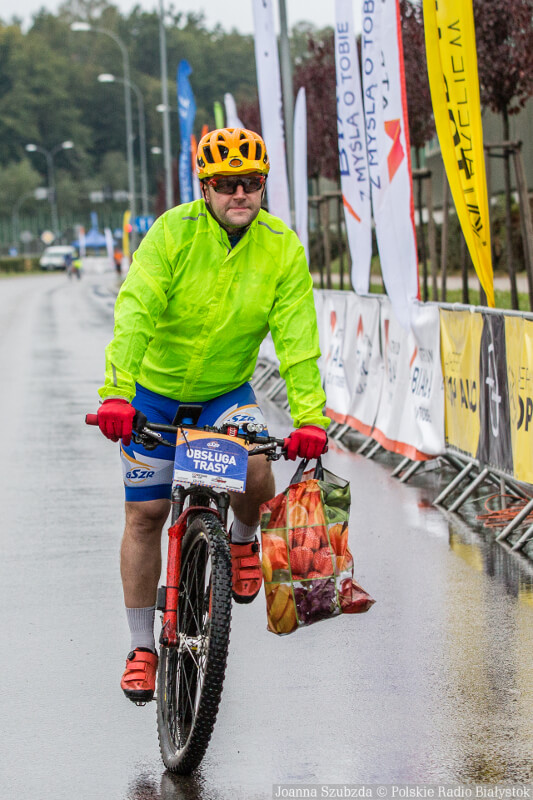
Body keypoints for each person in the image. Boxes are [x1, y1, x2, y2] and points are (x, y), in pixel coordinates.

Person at [94, 127, 329, 703]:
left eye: (251, 182)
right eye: (226, 183)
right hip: (153, 394)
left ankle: (242, 541)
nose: (239, 193)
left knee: (256, 466)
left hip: (224, 394)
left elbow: (297, 340)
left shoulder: (281, 247)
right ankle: (141, 647)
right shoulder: (172, 233)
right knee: (146, 515)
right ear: (205, 188)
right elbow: (136, 310)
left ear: (263, 186)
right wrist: (117, 394)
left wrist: (311, 419)